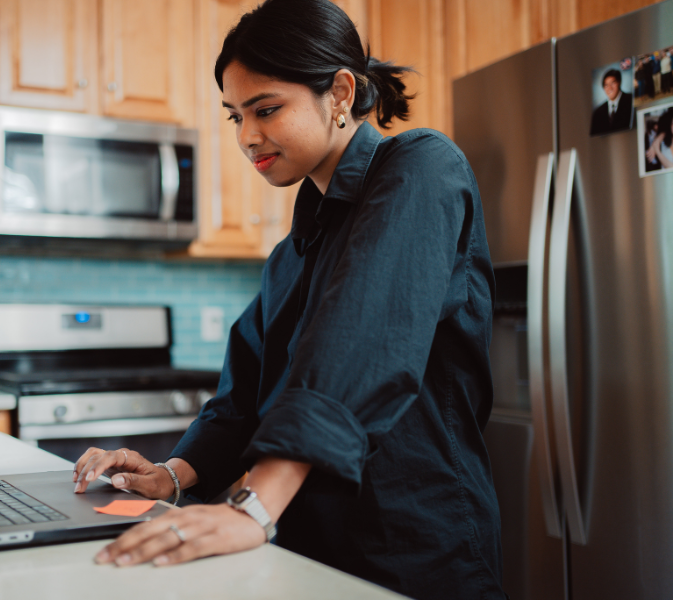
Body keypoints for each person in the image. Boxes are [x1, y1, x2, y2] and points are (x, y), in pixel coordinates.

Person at [71, 1, 504, 598]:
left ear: (341, 93)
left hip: (414, 548)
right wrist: (172, 474)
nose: (248, 137)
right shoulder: (291, 254)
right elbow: (241, 400)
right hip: (307, 554)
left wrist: (253, 507)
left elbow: (362, 341)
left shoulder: (422, 168)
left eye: (267, 109)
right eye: (235, 117)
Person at [590, 68, 633, 136]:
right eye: (606, 85)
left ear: (619, 82)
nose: (610, 88)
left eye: (612, 83)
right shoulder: (598, 112)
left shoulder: (631, 100)